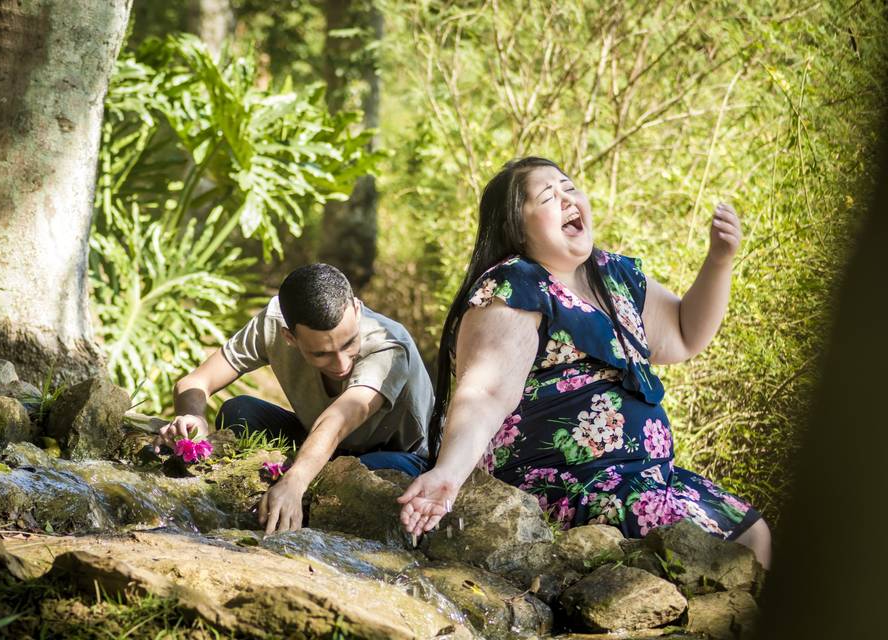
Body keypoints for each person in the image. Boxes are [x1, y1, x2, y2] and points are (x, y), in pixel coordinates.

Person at [397, 157, 771, 568]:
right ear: (516, 229)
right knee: (712, 555)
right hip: (570, 485)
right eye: (547, 196)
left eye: (569, 188)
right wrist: (448, 473)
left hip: (647, 477)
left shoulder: (611, 275)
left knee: (753, 533)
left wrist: (719, 259)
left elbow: (683, 334)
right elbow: (484, 392)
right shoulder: (515, 285)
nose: (566, 199)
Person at [156, 263, 433, 534]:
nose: (340, 364)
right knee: (237, 410)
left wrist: (295, 482)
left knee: (360, 478)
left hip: (398, 456)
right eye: (321, 354)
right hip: (319, 441)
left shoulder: (389, 346)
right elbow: (195, 382)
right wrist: (193, 416)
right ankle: (298, 481)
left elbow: (338, 421)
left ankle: (299, 488)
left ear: (357, 310)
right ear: (289, 337)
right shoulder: (275, 321)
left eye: (349, 344)